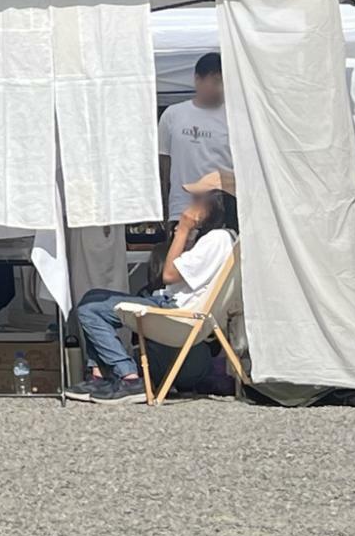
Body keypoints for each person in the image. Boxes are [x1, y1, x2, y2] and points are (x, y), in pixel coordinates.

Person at [68, 171, 240, 404]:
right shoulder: (227, 238)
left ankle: (128, 377)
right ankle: (100, 374)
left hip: (176, 311)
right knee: (93, 297)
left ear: (215, 202)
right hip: (182, 308)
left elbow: (168, 275)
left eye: (198, 199)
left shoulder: (216, 239)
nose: (191, 205)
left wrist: (183, 229)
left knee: (90, 308)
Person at [158, 55, 231, 222]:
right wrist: (165, 210)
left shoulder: (235, 118)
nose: (221, 88)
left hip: (223, 211)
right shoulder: (172, 115)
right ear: (197, 79)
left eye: (225, 82)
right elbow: (163, 164)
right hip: (182, 208)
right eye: (216, 81)